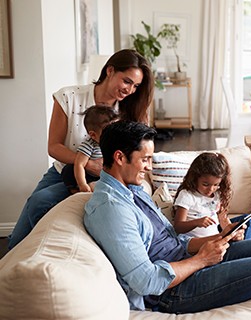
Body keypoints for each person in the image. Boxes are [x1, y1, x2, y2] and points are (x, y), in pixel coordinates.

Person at [84, 121, 251, 319]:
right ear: (120, 158)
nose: (149, 167)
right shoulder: (111, 209)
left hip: (186, 259)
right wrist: (202, 259)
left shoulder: (133, 190)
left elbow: (173, 239)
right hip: (172, 289)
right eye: (145, 159)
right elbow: (146, 281)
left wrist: (218, 238)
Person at [8, 49, 154, 249]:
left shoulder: (130, 110)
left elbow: (138, 154)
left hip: (104, 177)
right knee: (17, 238)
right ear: (110, 71)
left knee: (41, 202)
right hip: (65, 169)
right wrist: (88, 163)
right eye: (127, 81)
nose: (130, 90)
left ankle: (44, 251)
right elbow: (54, 147)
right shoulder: (69, 97)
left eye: (136, 86)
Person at [173, 152, 251, 239]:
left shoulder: (216, 194)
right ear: (195, 178)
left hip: (218, 238)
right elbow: (178, 227)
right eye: (205, 184)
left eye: (215, 185)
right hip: (201, 243)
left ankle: (241, 245)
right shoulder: (187, 195)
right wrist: (197, 222)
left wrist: (232, 233)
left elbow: (223, 220)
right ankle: (242, 247)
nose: (211, 189)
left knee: (248, 220)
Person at [61, 106, 119, 193]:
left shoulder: (116, 144)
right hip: (89, 176)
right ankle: (74, 190)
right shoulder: (89, 145)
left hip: (105, 176)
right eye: (109, 133)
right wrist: (82, 184)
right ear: (93, 135)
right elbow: (79, 164)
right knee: (69, 169)